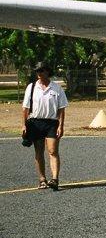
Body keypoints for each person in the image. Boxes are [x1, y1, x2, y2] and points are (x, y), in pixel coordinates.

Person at [21, 62, 68, 191]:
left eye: (41, 70)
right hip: (35, 123)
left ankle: (55, 179)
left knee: (53, 151)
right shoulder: (31, 87)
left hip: (51, 123)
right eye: (37, 71)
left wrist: (60, 125)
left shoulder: (56, 88)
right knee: (39, 151)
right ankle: (42, 179)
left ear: (47, 71)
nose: (39, 73)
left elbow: (62, 108)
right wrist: (24, 125)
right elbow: (25, 108)